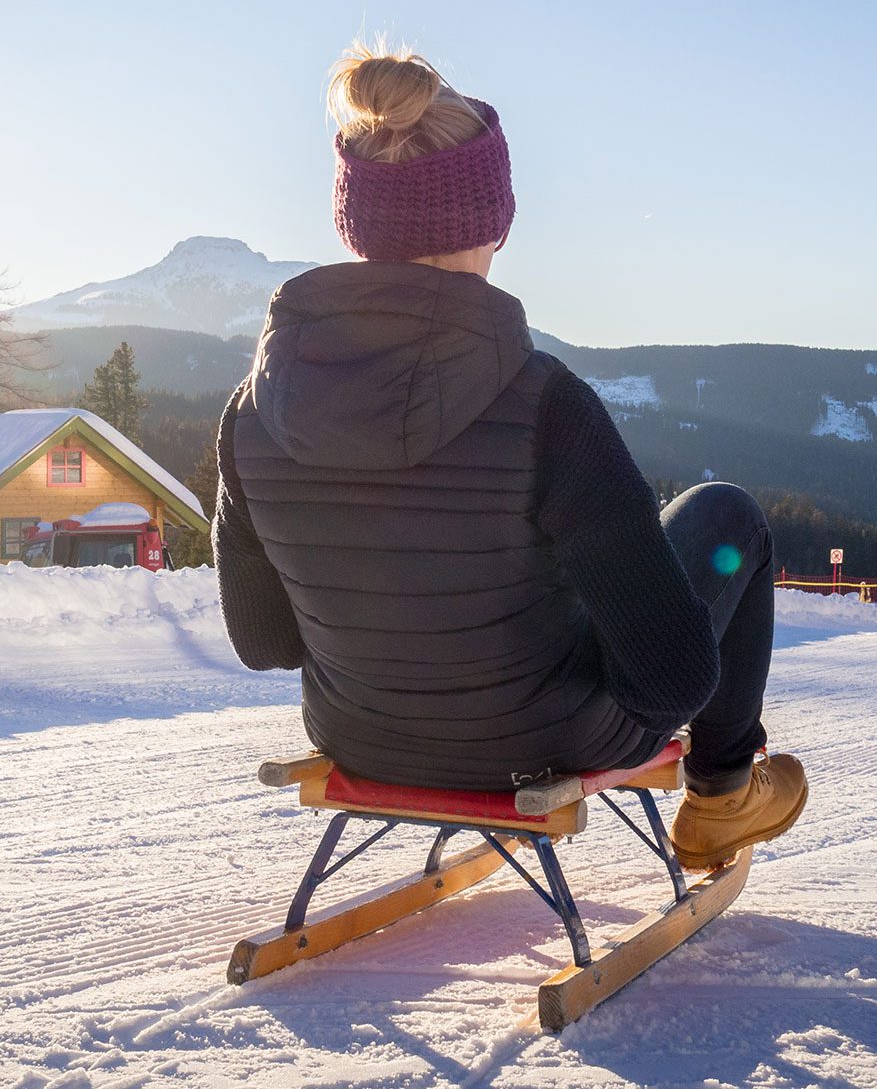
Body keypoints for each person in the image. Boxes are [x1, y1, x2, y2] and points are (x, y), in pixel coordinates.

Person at [212, 44, 806, 868]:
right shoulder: (543, 402)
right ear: (495, 216)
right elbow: (671, 678)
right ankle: (724, 794)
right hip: (545, 739)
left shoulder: (252, 412)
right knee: (728, 514)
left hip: (360, 733)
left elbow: (265, 643)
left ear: (356, 221)